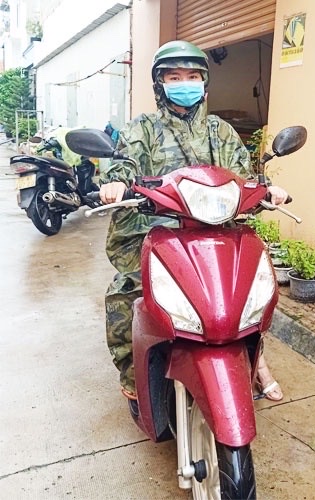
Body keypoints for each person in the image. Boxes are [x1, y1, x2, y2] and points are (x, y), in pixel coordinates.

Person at [99, 40, 284, 404]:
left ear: (204, 82)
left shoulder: (221, 131)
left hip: (216, 232)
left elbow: (243, 177)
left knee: (251, 291)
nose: (184, 83)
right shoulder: (143, 129)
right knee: (127, 292)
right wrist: (116, 184)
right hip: (156, 232)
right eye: (174, 77)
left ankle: (255, 359)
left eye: (192, 76)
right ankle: (134, 370)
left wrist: (266, 190)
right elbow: (123, 165)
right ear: (160, 84)